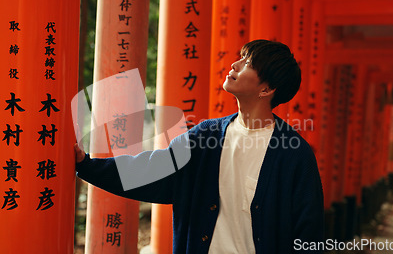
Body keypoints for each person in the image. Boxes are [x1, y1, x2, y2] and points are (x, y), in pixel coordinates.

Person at [75, 39, 324, 253]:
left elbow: (309, 230)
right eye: (240, 58)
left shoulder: (294, 154)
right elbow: (151, 171)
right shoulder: (205, 136)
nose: (234, 65)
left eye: (247, 63)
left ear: (267, 89)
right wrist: (86, 165)